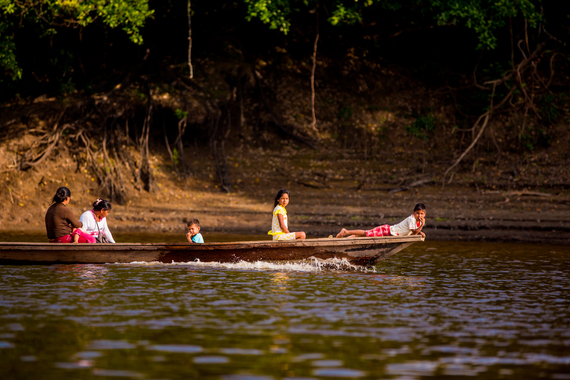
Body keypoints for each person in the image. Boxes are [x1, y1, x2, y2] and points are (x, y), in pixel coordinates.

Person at [336, 203, 426, 239]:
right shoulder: (412, 219)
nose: (419, 216)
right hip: (386, 231)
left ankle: (350, 237)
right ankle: (346, 232)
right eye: (418, 213)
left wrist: (419, 232)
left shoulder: (416, 221)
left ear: (424, 214)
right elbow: (413, 233)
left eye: (422, 214)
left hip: (390, 232)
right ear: (413, 212)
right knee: (366, 233)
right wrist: (421, 226)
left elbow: (412, 231)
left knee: (366, 235)